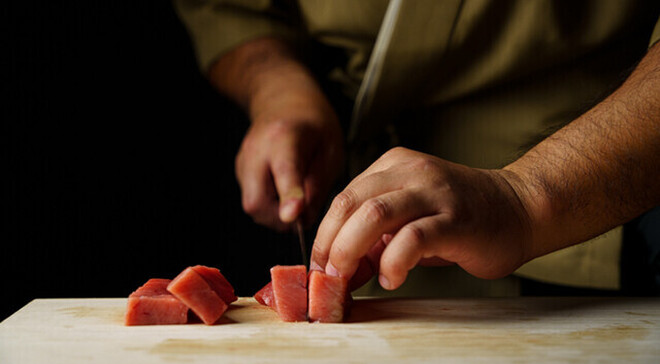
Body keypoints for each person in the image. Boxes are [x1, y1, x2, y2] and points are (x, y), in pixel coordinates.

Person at [174, 0, 660, 296]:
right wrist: (276, 85)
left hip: (598, 215)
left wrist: (523, 198)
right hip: (383, 259)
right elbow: (227, 7)